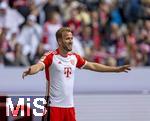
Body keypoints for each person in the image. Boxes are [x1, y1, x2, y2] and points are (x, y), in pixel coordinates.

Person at [22, 27, 131, 121]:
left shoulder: (74, 57)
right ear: (59, 41)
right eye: (67, 38)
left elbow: (92, 66)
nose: (70, 41)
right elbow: (39, 66)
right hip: (53, 107)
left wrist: (115, 69)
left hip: (69, 107)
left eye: (71, 38)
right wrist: (31, 70)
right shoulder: (51, 56)